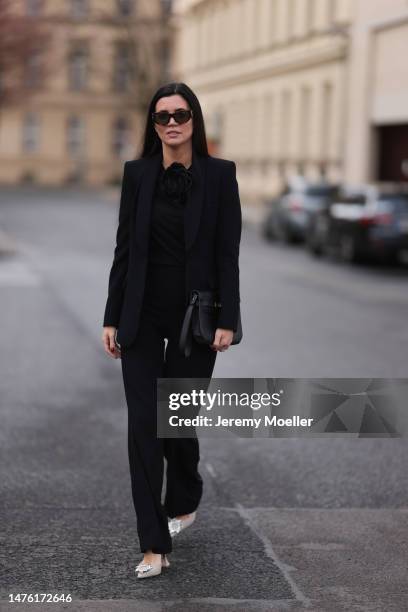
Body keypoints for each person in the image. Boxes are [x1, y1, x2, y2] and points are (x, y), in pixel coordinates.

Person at [101, 82, 242, 579]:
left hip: (195, 318)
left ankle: (184, 493)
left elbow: (228, 253)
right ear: (153, 125)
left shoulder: (220, 175)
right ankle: (152, 544)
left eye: (181, 114)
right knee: (144, 426)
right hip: (141, 315)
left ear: (195, 120)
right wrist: (112, 315)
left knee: (175, 421)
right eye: (163, 117)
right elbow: (124, 249)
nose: (172, 122)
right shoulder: (137, 174)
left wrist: (229, 319)